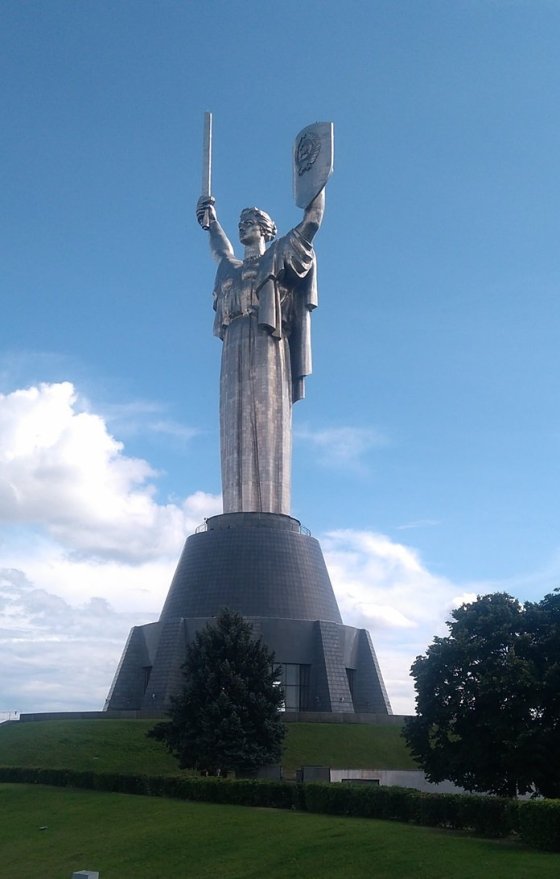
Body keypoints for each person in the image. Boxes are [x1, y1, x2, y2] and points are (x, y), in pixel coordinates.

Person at [197, 190, 325, 515]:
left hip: (269, 344)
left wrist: (316, 181)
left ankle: (269, 511)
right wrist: (211, 223)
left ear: (266, 230)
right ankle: (236, 511)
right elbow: (219, 250)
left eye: (251, 222)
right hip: (234, 348)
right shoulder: (231, 269)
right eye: (241, 223)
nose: (244, 227)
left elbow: (312, 222)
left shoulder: (279, 255)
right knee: (234, 424)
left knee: (266, 419)